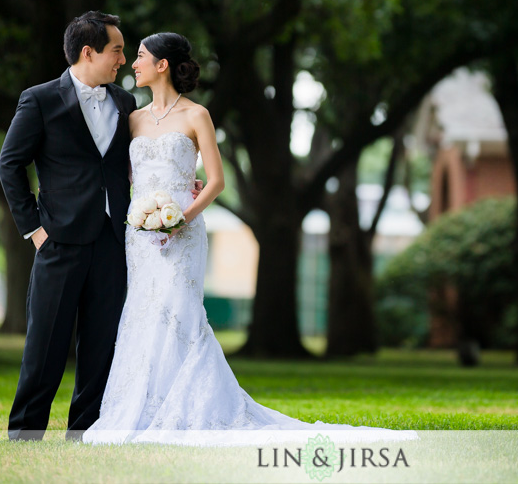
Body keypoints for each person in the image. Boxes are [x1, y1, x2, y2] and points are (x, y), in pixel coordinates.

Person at [82, 32, 415, 445]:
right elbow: (130, 175)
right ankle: (141, 407)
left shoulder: (197, 115)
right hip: (140, 239)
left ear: (162, 65)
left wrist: (177, 218)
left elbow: (217, 182)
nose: (133, 64)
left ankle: (190, 408)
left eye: (141, 57)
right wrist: (144, 214)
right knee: (141, 314)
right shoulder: (133, 118)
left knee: (179, 314)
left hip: (182, 235)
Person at [0, 12, 201, 441]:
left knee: (102, 342)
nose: (124, 60)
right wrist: (33, 229)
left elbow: (136, 163)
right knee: (46, 343)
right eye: (117, 50)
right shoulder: (39, 99)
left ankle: (85, 433)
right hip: (58, 240)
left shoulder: (126, 104)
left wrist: (182, 183)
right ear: (88, 52)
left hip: (116, 241)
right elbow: (10, 164)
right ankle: (25, 432)